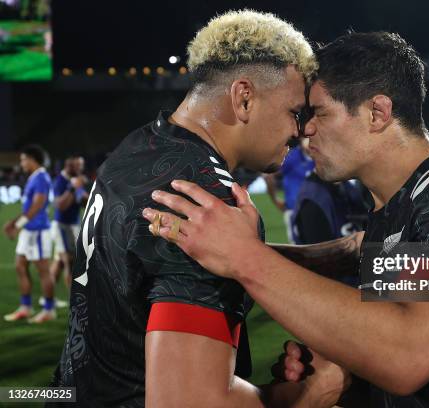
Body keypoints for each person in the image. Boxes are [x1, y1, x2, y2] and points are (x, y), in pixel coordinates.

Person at [145, 31, 429, 407]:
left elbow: (410, 354)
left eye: (318, 112)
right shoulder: (399, 209)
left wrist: (246, 259)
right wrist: (347, 379)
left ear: (377, 113)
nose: (303, 130)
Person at [50, 10, 348, 407]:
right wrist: (309, 393)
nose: (300, 130)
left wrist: (336, 256)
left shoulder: (139, 146)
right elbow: (188, 402)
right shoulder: (208, 202)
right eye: (294, 112)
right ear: (244, 98)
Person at [3, 144, 56, 324]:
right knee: (20, 266)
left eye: (24, 159)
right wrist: (14, 222)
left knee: (43, 271)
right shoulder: (34, 177)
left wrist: (17, 225)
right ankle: (25, 307)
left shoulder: (41, 177)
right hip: (29, 231)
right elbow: (28, 207)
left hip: (38, 231)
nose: (21, 163)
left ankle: (49, 310)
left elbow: (37, 205)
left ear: (33, 159)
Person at [264, 138, 314, 243]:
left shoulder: (321, 156)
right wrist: (275, 200)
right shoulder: (291, 157)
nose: (309, 140)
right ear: (300, 139)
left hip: (319, 209)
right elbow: (268, 175)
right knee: (301, 251)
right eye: (306, 137)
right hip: (295, 211)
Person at [50, 156, 89, 291]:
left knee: (60, 262)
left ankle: (48, 299)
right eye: (79, 166)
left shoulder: (75, 181)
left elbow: (85, 203)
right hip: (62, 226)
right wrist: (73, 188)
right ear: (69, 166)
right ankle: (75, 301)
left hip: (73, 225)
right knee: (70, 262)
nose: (81, 169)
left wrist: (88, 195)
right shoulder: (60, 181)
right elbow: (60, 206)